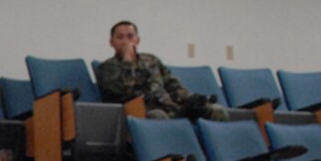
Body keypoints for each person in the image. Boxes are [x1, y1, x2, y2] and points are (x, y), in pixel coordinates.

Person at [95, 21, 229, 121]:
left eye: (130, 37)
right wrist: (127, 62)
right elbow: (124, 92)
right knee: (158, 116)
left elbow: (172, 83)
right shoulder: (107, 67)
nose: (126, 42)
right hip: (141, 111)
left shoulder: (151, 60)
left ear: (137, 40)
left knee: (217, 111)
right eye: (120, 37)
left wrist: (190, 99)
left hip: (170, 107)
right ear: (111, 42)